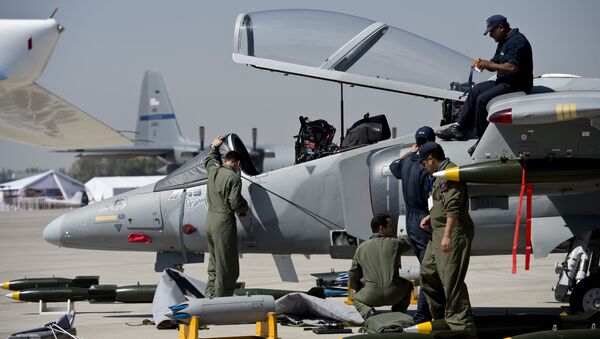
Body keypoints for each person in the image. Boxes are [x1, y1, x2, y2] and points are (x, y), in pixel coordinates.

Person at [437, 14, 533, 155]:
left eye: (491, 31)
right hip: (504, 81)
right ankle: (459, 126)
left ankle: (482, 139)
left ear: (501, 28)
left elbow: (512, 68)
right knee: (476, 90)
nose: (490, 36)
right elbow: (495, 62)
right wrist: (483, 64)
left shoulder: (517, 41)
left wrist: (489, 64)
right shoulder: (503, 40)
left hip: (517, 84)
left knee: (482, 99)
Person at [418, 142, 476, 335]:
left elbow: (454, 207)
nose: (424, 167)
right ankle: (443, 319)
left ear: (431, 159)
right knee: (427, 272)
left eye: (424, 163)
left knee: (451, 280)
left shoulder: (449, 174)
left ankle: (462, 328)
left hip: (452, 232)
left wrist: (447, 235)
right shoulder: (438, 176)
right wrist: (431, 216)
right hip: (437, 232)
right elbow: (441, 203)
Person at [389, 126, 435, 323]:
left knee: (427, 267)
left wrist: (410, 151)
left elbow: (393, 166)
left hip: (410, 221)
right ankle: (423, 314)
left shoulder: (407, 161)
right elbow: (432, 196)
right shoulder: (427, 167)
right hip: (423, 219)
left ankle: (428, 311)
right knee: (430, 270)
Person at [203, 135, 249, 297]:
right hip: (223, 223)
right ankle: (221, 298)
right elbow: (235, 203)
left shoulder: (213, 170)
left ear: (226, 160)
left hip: (209, 221)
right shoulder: (233, 177)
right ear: (237, 163)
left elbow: (208, 159)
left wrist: (214, 146)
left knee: (214, 262)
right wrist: (246, 207)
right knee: (226, 264)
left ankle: (210, 293)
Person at [348, 214, 413, 319]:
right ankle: (398, 313)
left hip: (371, 296)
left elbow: (353, 274)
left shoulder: (361, 248)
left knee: (355, 298)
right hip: (395, 294)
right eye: (390, 226)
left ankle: (369, 313)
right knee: (409, 286)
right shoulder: (396, 243)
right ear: (381, 228)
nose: (393, 228)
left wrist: (358, 288)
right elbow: (411, 241)